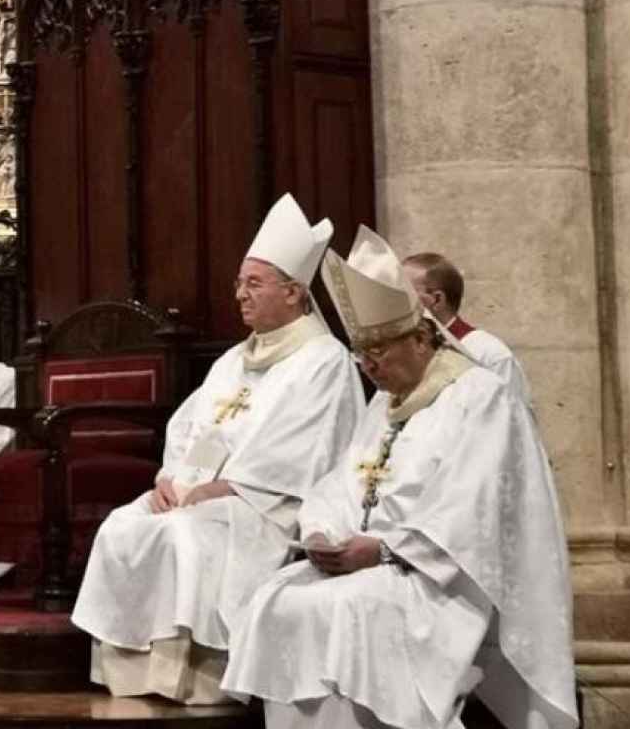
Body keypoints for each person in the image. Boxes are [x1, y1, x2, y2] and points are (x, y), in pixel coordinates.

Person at [223, 226, 576, 729]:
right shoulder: (387, 401)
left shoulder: (479, 397)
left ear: (418, 338)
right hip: (366, 564)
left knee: (348, 611)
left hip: (438, 581)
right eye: (361, 355)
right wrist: (323, 532)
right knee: (276, 601)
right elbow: (338, 482)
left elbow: (470, 510)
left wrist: (385, 550)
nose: (368, 369)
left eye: (378, 354)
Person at [70, 193, 364, 703]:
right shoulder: (234, 359)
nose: (240, 295)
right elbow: (192, 426)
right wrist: (171, 480)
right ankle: (132, 675)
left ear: (294, 293)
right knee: (124, 525)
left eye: (254, 283)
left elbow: (301, 450)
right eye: (238, 283)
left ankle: (194, 679)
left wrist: (222, 489)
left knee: (182, 536)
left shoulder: (324, 361)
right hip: (199, 492)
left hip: (268, 506)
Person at [403, 251, 534, 408]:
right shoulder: (400, 357)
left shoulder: (490, 355)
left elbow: (513, 423)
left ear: (437, 299)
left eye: (404, 294)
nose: (391, 304)